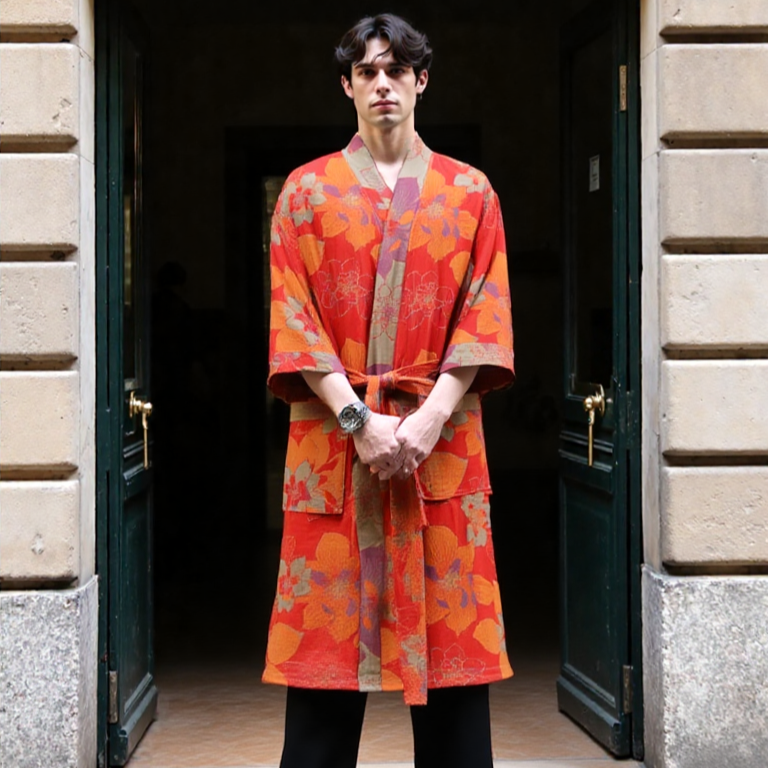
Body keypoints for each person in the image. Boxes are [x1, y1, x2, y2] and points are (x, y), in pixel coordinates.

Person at [263, 13, 515, 768]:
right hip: (335, 458)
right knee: (320, 694)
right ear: (346, 86)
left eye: (396, 71)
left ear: (420, 81)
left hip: (440, 451)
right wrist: (358, 421)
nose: (382, 84)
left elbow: (486, 311)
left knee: (454, 685)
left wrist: (432, 419)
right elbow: (293, 318)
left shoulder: (471, 193)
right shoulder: (304, 193)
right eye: (367, 72)